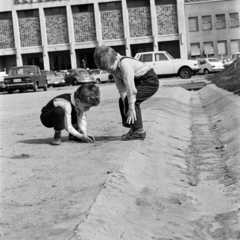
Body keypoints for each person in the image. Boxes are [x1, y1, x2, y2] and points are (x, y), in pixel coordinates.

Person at [94, 45, 159, 141]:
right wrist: (125, 104)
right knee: (123, 100)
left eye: (110, 69)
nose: (110, 71)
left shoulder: (125, 65)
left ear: (116, 58)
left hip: (149, 81)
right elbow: (121, 88)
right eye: (107, 70)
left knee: (133, 100)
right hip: (138, 81)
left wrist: (131, 108)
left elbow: (130, 89)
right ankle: (133, 128)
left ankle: (139, 131)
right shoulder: (114, 68)